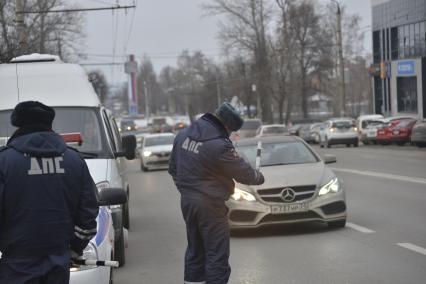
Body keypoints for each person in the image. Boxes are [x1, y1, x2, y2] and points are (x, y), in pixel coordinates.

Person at [0, 101, 99, 284]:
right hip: (58, 263)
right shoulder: (74, 160)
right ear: (49, 124)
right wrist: (74, 250)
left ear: (18, 125)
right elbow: (88, 217)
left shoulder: (4, 162)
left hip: (15, 265)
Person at [169, 102, 265, 284]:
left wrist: (187, 191)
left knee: (195, 250)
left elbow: (173, 169)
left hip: (188, 202)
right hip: (211, 205)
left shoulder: (182, 135)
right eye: (230, 130)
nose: (229, 134)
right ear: (227, 126)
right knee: (216, 255)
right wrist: (257, 176)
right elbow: (244, 174)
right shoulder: (219, 145)